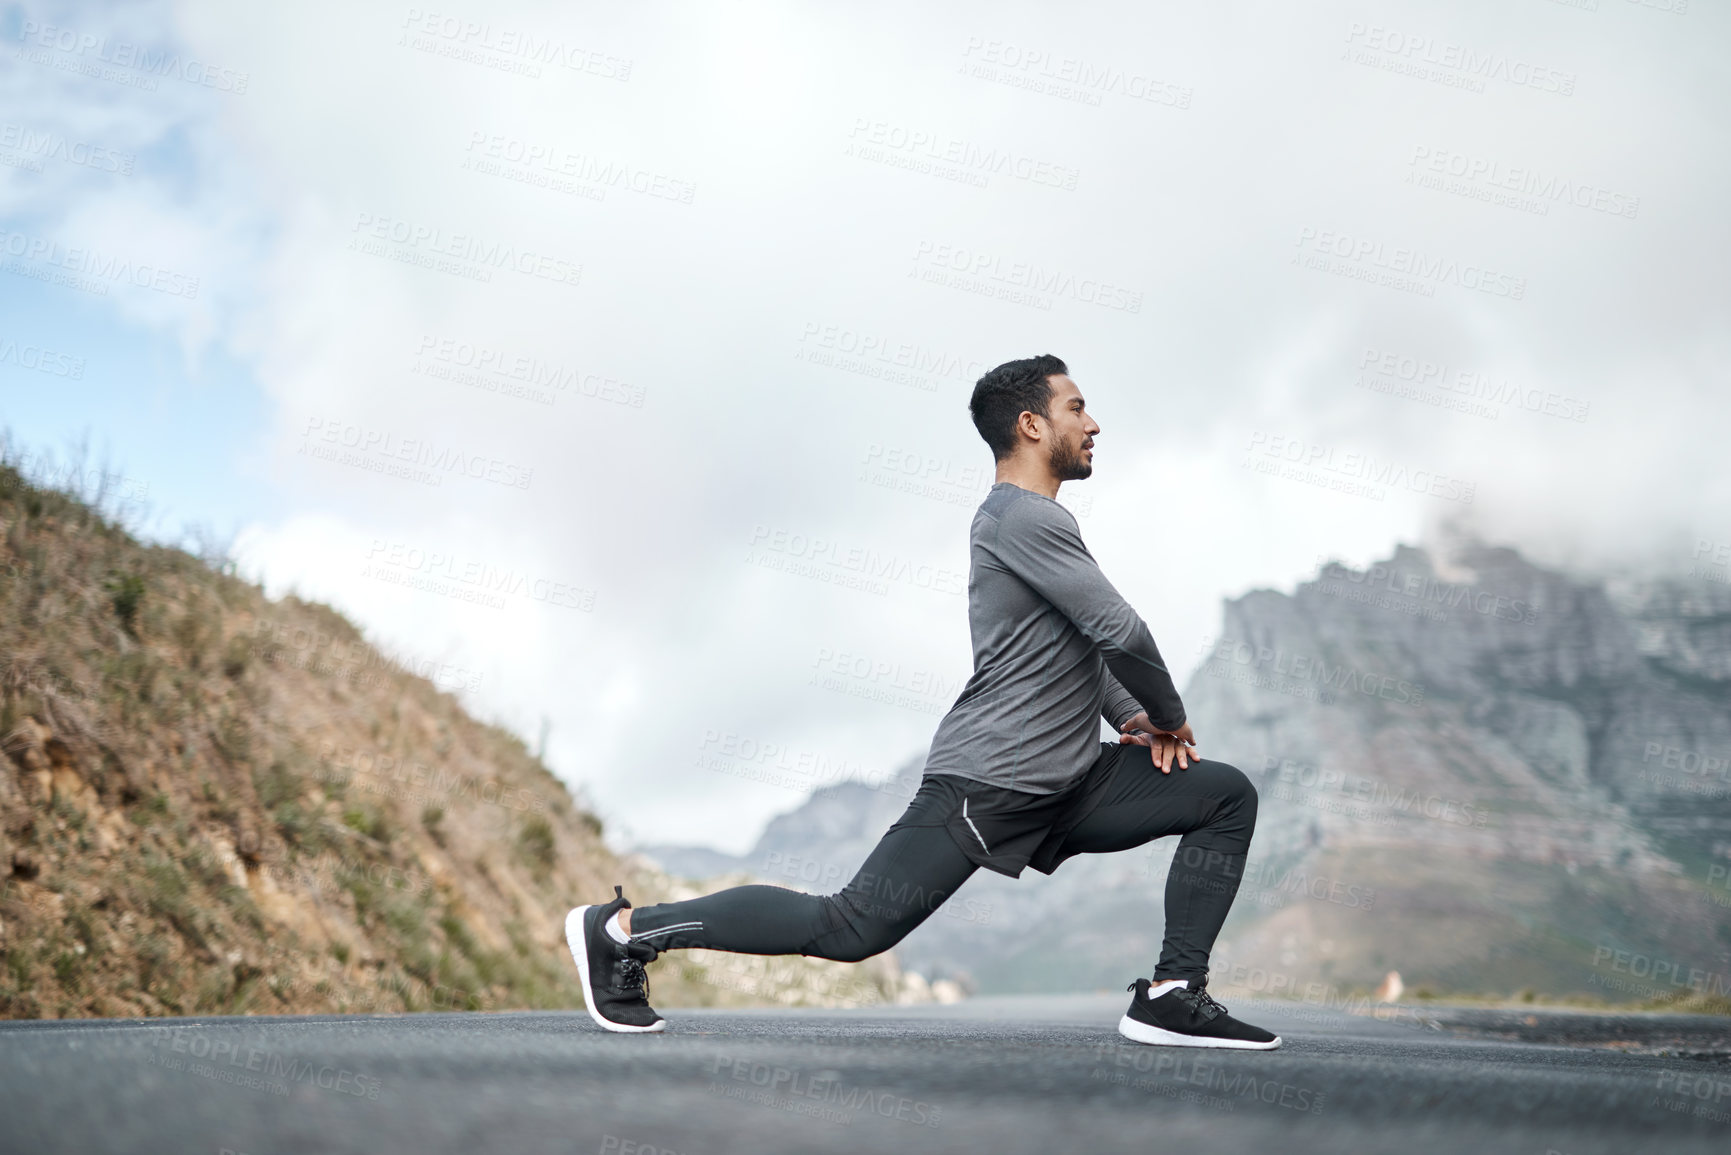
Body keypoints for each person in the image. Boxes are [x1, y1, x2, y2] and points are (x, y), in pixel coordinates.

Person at [565, 354, 1279, 1049]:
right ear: (1031, 425)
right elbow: (1119, 629)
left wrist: (1130, 715)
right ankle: (623, 931)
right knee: (849, 928)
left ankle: (1170, 995)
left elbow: (1082, 645)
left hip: (1070, 778)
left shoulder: (1037, 525)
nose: (1093, 424)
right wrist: (1170, 715)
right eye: (1076, 408)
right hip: (987, 780)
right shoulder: (1020, 519)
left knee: (1221, 795)